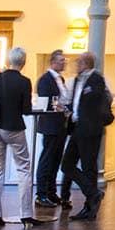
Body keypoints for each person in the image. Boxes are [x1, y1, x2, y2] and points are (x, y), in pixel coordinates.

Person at [0, 47, 42, 227]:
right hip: (13, 128)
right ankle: (25, 213)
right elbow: (26, 110)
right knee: (23, 169)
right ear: (23, 62)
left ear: (9, 61)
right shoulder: (24, 81)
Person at [61, 51, 112, 222]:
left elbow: (98, 100)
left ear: (86, 63)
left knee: (89, 167)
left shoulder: (96, 79)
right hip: (77, 127)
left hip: (90, 129)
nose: (76, 64)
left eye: (79, 61)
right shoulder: (77, 80)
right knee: (67, 164)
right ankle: (93, 193)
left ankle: (89, 207)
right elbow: (76, 102)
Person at [35, 49, 71, 207]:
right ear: (53, 62)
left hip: (60, 124)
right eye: (61, 60)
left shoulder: (61, 79)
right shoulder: (45, 79)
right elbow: (46, 101)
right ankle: (41, 193)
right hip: (50, 124)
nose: (64, 62)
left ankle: (51, 191)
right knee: (47, 158)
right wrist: (58, 106)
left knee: (56, 158)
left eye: (64, 60)